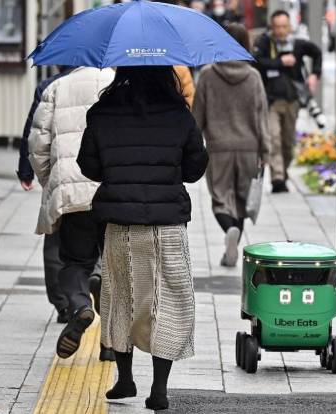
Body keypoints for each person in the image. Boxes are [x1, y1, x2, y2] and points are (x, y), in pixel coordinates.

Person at [77, 66, 208, 411]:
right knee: (166, 302)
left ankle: (124, 379)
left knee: (120, 298)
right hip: (166, 226)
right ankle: (159, 389)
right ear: (165, 74)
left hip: (120, 224)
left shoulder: (103, 111)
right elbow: (195, 168)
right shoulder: (178, 113)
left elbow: (88, 166)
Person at [28, 66, 116, 361]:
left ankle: (80, 305)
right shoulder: (117, 83)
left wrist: (50, 182)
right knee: (115, 269)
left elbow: (38, 146)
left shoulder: (56, 88)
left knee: (74, 261)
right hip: (111, 192)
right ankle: (110, 345)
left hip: (70, 192)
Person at [193, 23, 270, 267]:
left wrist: (194, 143)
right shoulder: (253, 77)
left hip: (219, 147)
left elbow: (198, 115)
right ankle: (232, 248)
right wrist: (265, 150)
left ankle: (229, 233)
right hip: (249, 147)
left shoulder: (207, 74)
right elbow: (261, 116)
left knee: (221, 199)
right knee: (241, 200)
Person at [18, 67, 73, 324]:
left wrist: (33, 172)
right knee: (96, 237)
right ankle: (91, 283)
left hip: (59, 175)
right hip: (96, 178)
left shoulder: (49, 87)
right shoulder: (108, 81)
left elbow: (34, 135)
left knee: (54, 241)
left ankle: (62, 303)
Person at [253, 9, 322, 193]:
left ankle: (283, 172)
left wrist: (315, 75)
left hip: (292, 101)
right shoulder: (264, 42)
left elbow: (317, 52)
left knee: (287, 142)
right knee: (273, 138)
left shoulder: (297, 44)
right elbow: (256, 62)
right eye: (277, 27)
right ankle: (277, 179)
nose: (281, 31)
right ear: (272, 27)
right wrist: (280, 62)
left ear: (290, 27)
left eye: (284, 26)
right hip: (271, 101)